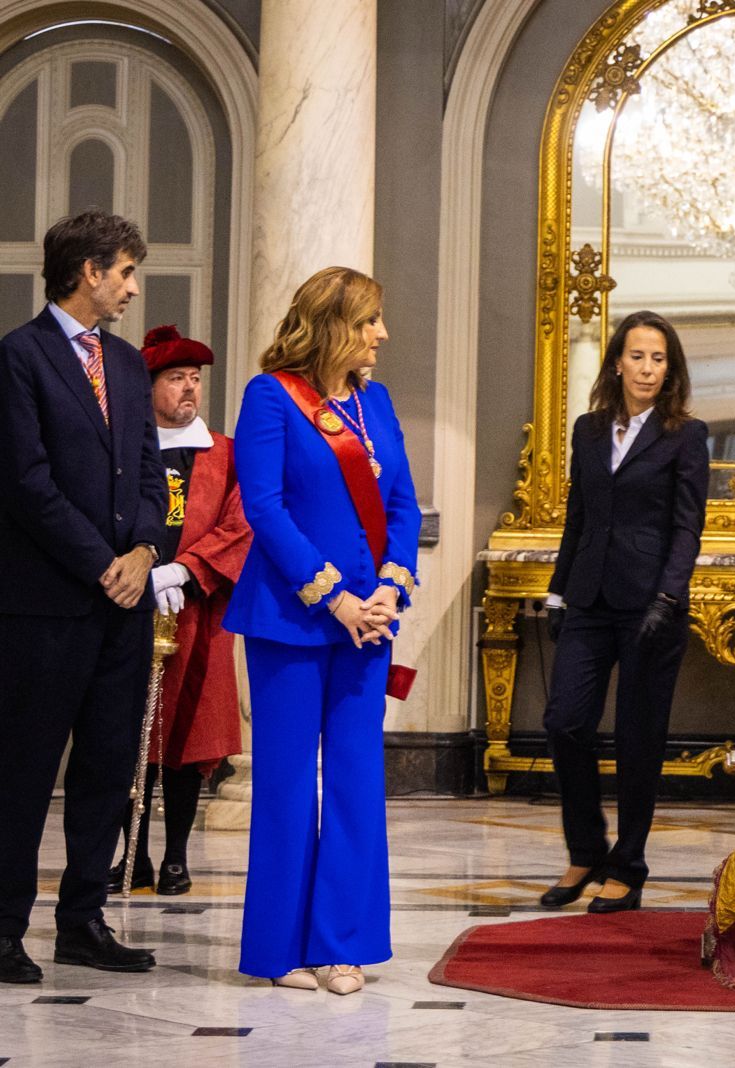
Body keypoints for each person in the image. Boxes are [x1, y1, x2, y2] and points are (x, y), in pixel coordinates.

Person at [224, 267, 421, 994]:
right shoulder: (269, 396)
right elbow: (265, 508)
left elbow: (403, 504)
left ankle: (341, 945)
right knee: (284, 784)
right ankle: (280, 950)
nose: (382, 334)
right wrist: (334, 598)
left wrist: (391, 587)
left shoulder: (377, 402)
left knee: (355, 779)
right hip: (290, 619)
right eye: (370, 321)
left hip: (370, 622)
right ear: (334, 325)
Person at [0, 210, 164, 983]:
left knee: (106, 769)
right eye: (125, 272)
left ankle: (83, 923)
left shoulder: (128, 364)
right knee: (25, 771)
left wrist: (145, 552)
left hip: (123, 607)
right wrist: (105, 563)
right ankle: (4, 929)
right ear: (89, 272)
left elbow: (152, 475)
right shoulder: (19, 357)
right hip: (45, 607)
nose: (132, 287)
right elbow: (25, 484)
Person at [538, 310, 709, 914]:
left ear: (671, 369)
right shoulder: (588, 430)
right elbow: (578, 517)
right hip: (588, 598)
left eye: (659, 359)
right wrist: (557, 592)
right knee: (564, 722)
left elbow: (688, 528)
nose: (647, 368)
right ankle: (586, 850)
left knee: (639, 739)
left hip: (650, 607)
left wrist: (668, 597)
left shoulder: (686, 434)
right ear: (617, 362)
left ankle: (628, 867)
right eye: (638, 356)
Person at [106, 326, 250, 897]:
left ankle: (175, 858)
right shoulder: (124, 448)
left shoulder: (226, 454)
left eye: (195, 378)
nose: (189, 388)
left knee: (188, 742)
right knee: (128, 736)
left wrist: (185, 570)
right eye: (175, 378)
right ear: (148, 387)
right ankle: (134, 856)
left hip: (199, 613)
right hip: (130, 606)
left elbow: (241, 525)